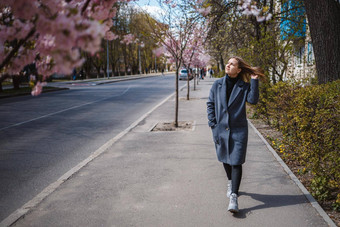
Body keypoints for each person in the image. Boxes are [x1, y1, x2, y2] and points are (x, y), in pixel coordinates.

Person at [206, 56, 265, 213]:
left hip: (238, 130)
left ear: (238, 70)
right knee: (225, 159)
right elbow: (210, 104)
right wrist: (212, 123)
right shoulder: (217, 84)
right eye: (228, 63)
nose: (228, 65)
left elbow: (252, 100)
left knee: (236, 161)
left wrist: (254, 81)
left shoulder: (243, 86)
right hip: (220, 129)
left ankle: (234, 196)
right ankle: (231, 181)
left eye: (232, 64)